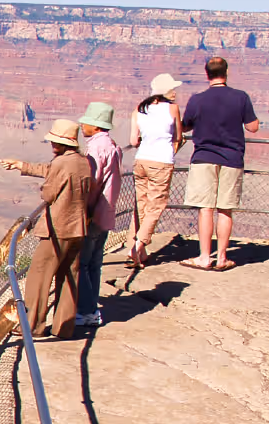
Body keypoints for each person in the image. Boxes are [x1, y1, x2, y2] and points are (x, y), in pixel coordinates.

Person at [0, 119, 95, 339]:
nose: (52, 145)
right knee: (70, 277)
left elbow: (48, 194)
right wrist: (20, 165)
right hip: (78, 227)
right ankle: (64, 327)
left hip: (57, 229)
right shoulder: (83, 162)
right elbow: (51, 170)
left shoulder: (62, 164)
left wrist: (45, 187)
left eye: (55, 142)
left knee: (39, 278)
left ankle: (33, 327)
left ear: (63, 143)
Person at [182, 56, 259, 269]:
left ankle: (205, 257)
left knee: (205, 208)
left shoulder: (197, 99)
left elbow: (185, 126)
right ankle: (222, 258)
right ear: (226, 72)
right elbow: (253, 127)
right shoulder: (240, 97)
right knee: (225, 209)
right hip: (232, 158)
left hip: (204, 158)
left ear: (207, 74)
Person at [70, 101, 121, 326]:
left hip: (93, 212)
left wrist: (84, 210)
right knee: (94, 263)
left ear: (97, 126)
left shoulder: (96, 148)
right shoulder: (112, 145)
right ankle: (90, 310)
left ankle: (85, 311)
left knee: (81, 263)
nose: (82, 125)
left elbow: (92, 182)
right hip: (107, 211)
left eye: (87, 122)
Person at [127, 73, 185, 267]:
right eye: (172, 88)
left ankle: (137, 250)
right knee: (155, 206)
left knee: (142, 204)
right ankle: (138, 244)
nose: (175, 92)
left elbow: (133, 141)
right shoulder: (173, 109)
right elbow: (178, 136)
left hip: (141, 160)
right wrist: (171, 150)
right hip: (161, 162)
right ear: (165, 91)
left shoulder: (139, 108)